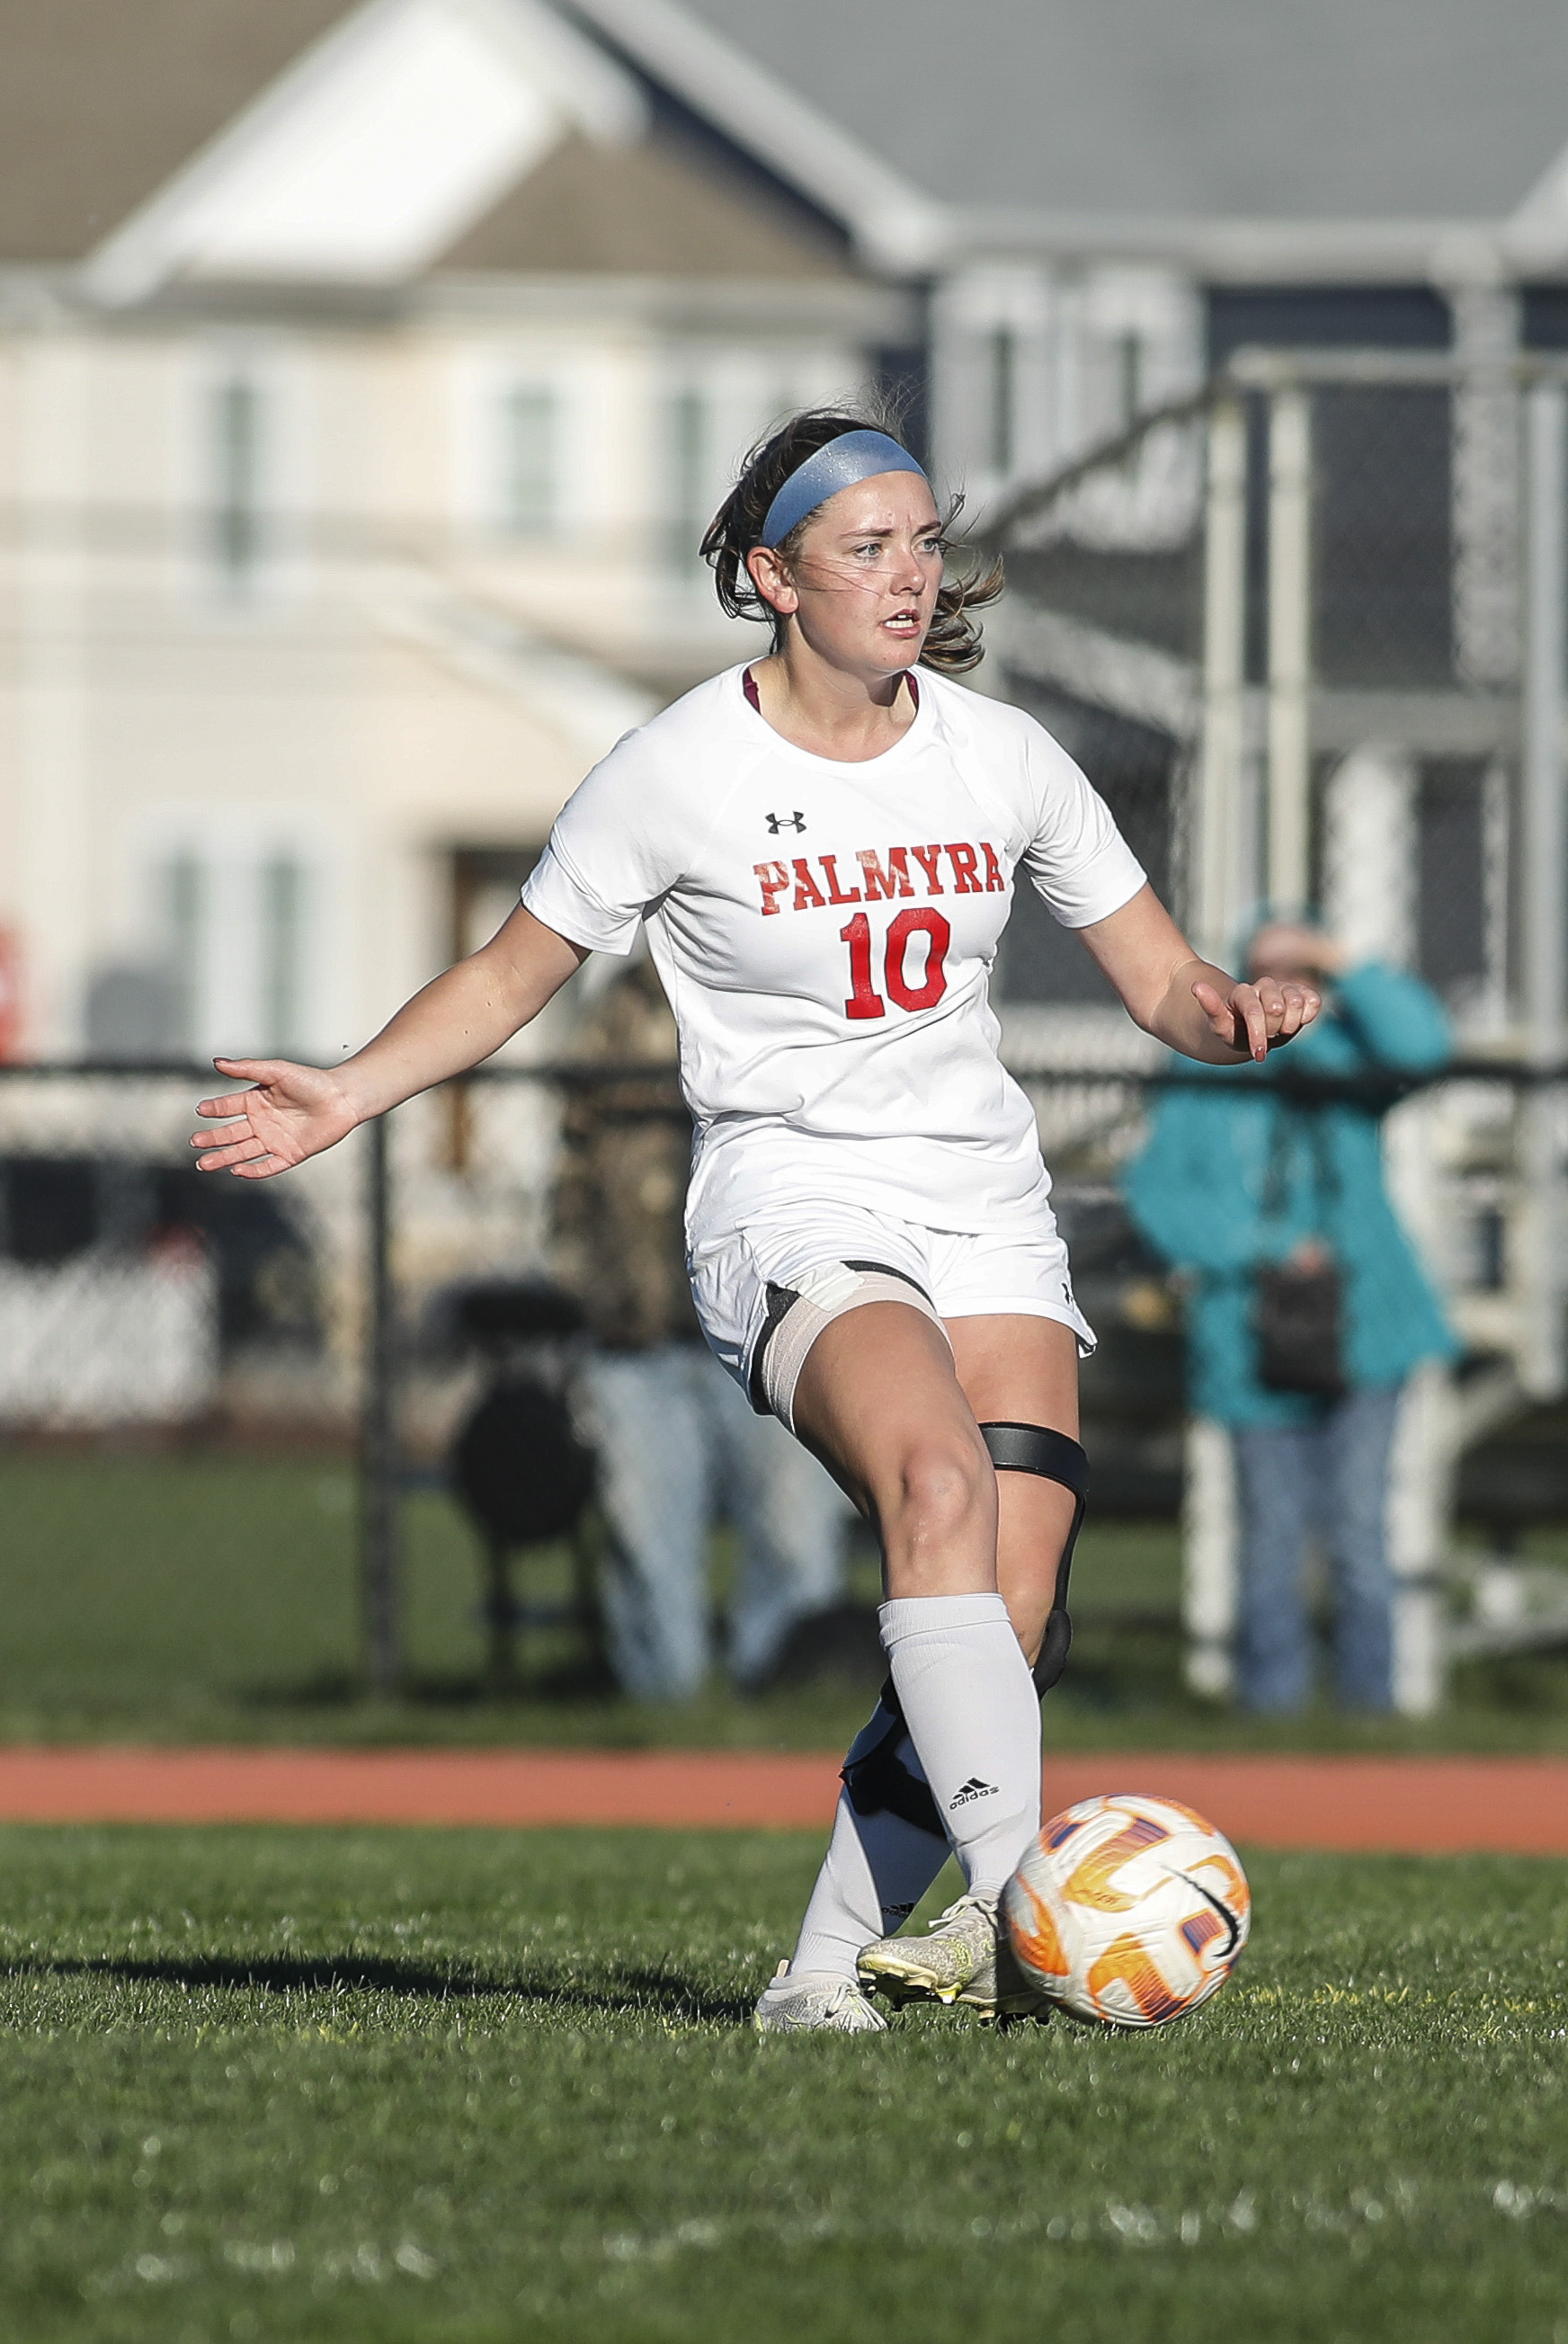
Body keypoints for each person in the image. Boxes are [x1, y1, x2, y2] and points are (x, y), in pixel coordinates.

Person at [193, 409, 1317, 2035]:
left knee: (1008, 1612)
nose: (911, 574)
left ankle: (819, 1974)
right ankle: (1023, 1920)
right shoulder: (682, 768)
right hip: (792, 1200)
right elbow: (518, 968)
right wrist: (355, 1089)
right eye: (870, 546)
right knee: (932, 1480)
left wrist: (1241, 1012)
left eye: (926, 540)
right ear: (772, 575)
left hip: (983, 1205)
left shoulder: (1000, 755)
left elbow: (1166, 984)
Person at [1121, 918, 1457, 1713]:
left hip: (1367, 1325)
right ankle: (1271, 1712)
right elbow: (1160, 1198)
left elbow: (1424, 1045)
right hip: (1247, 1335)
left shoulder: (1344, 1052)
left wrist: (1334, 960)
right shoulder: (1197, 1069)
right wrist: (1268, 1243)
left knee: (1360, 1529)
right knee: (1270, 1532)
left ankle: (1368, 1713)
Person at [552, 956, 853, 1700]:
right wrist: (583, 1285)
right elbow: (574, 1162)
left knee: (796, 1534)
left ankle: (785, 1694)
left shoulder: (799, 984)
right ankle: (667, 1719)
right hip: (638, 1331)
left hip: (776, 1326)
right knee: (647, 1538)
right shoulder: (622, 1007)